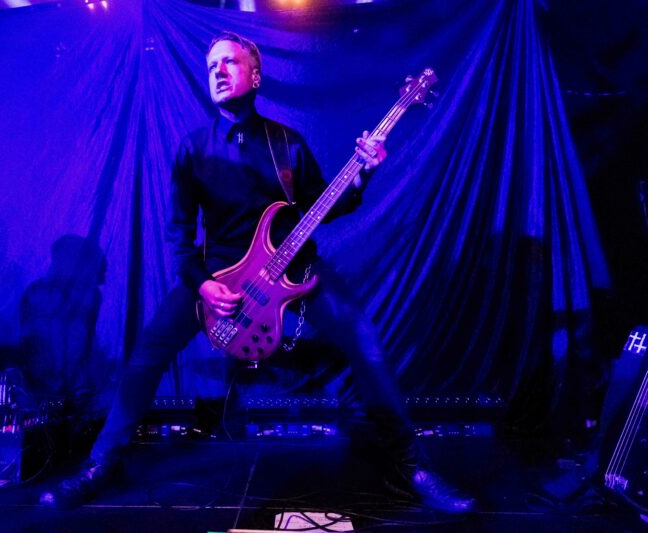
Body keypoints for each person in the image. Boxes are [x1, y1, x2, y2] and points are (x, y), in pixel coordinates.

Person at [42, 32, 474, 513]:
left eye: (229, 62)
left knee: (366, 344)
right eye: (211, 66)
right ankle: (99, 466)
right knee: (146, 356)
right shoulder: (192, 149)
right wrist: (203, 285)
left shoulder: (287, 143)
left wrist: (362, 174)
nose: (218, 71)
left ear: (255, 74)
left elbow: (323, 206)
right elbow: (178, 236)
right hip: (218, 276)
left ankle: (413, 467)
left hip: (293, 265)